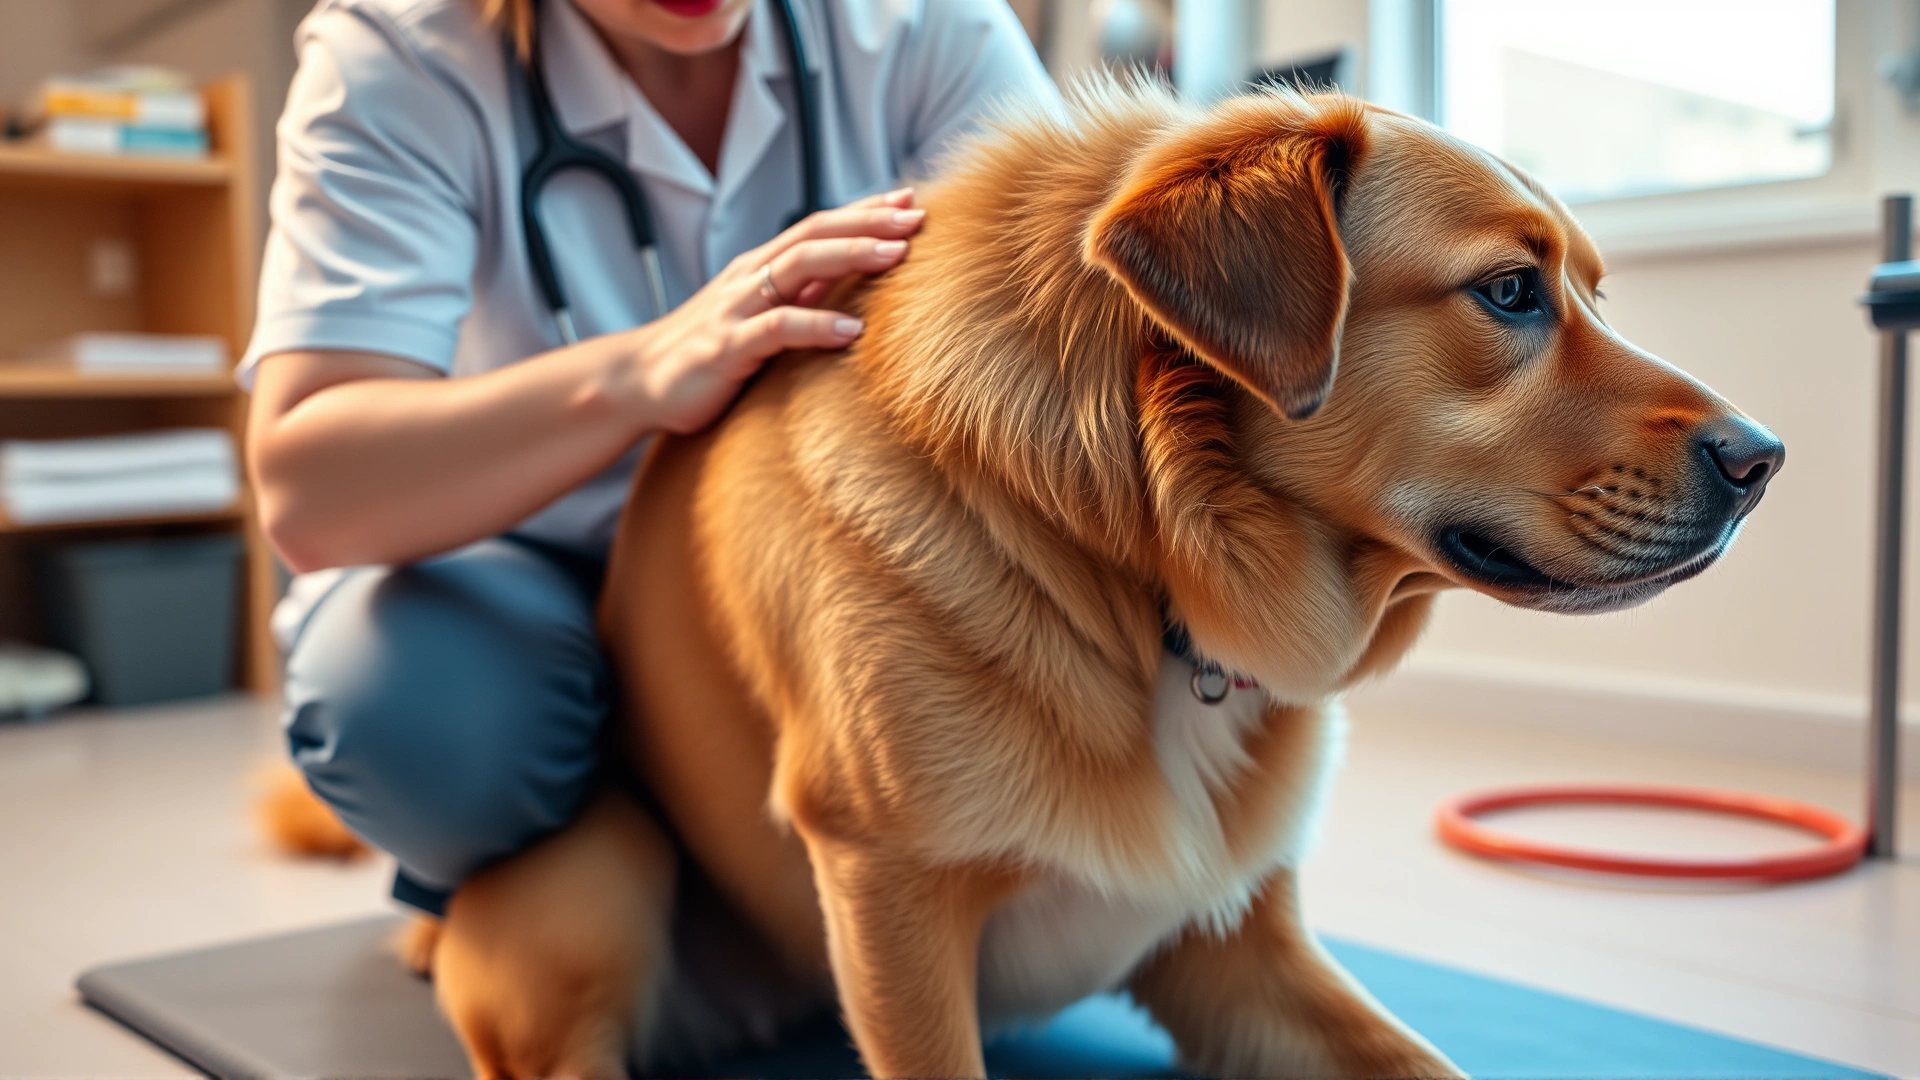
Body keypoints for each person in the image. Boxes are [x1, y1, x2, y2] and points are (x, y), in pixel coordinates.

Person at [242, 0, 1058, 916]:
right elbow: (310, 492)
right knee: (411, 714)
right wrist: (637, 372)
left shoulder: (927, 25)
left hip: (823, 570)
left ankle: (745, 886)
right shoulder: (399, 54)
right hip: (537, 576)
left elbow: (1072, 349)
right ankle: (580, 868)